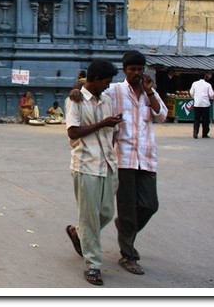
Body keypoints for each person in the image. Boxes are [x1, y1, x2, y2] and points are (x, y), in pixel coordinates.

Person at [91, 50, 167, 277]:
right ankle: (128, 255)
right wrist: (77, 91)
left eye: (139, 69)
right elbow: (92, 91)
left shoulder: (148, 93)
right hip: (123, 158)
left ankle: (125, 229)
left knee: (149, 205)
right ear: (124, 70)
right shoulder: (114, 91)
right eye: (132, 69)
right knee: (127, 209)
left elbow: (161, 115)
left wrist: (150, 91)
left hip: (146, 158)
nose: (136, 73)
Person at [64, 59, 122, 286]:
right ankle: (93, 264)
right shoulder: (75, 100)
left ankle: (79, 234)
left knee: (106, 212)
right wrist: (102, 123)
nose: (108, 85)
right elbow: (73, 131)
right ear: (95, 79)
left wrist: (111, 125)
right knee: (89, 217)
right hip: (85, 164)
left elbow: (110, 131)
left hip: (107, 163)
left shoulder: (106, 100)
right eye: (106, 81)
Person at [189, 74, 214, 139]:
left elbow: (191, 92)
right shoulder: (208, 84)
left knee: (196, 119)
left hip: (197, 104)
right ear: (204, 77)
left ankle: (195, 132)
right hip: (205, 104)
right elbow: (211, 94)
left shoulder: (194, 84)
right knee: (205, 120)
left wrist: (195, 97)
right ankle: (205, 133)